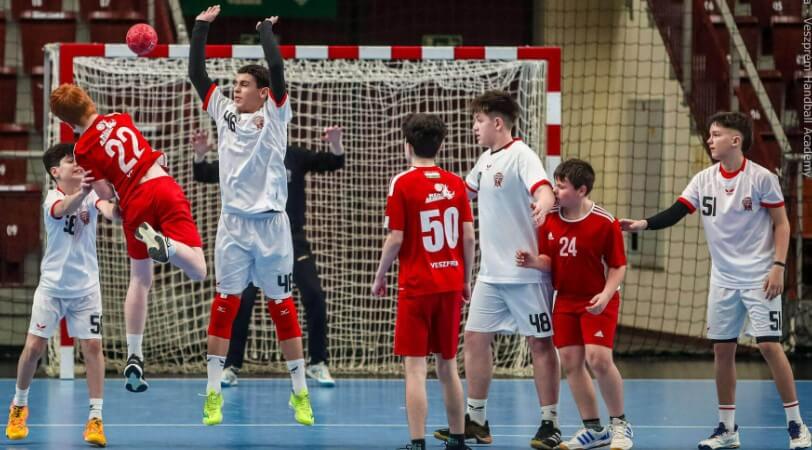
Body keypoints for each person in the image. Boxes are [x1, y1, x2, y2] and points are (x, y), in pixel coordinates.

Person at [620, 112, 811, 450]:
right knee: (723, 351)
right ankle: (727, 429)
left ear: (735, 140)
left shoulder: (762, 178)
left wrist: (779, 266)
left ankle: (797, 425)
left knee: (769, 346)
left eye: (716, 134)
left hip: (760, 277)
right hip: (722, 279)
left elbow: (782, 224)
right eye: (709, 134)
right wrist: (643, 224)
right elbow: (677, 211)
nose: (710, 139)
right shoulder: (703, 180)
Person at [188, 5, 314, 426]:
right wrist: (200, 28)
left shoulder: (275, 115)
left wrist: (264, 33)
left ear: (262, 93)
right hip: (233, 225)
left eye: (244, 84)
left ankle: (300, 393)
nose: (236, 89)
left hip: (272, 227)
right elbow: (197, 75)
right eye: (235, 84)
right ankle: (212, 394)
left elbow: (276, 69)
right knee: (225, 305)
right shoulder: (224, 113)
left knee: (282, 308)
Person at [49, 83, 207, 395]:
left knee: (140, 279)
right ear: (88, 100)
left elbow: (106, 192)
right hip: (161, 184)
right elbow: (144, 156)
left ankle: (135, 355)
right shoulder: (120, 118)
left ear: (67, 122)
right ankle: (170, 246)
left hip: (134, 202)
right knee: (199, 270)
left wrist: (110, 197)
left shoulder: (82, 150)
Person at [433, 90, 561, 449]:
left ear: (498, 123)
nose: (475, 127)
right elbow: (461, 193)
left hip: (525, 274)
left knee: (540, 343)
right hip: (490, 275)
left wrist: (543, 204)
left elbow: (543, 189)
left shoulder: (522, 155)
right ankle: (476, 420)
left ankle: (550, 423)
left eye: (479, 121)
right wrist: (426, 185)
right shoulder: (485, 160)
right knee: (475, 339)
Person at [190, 125, 345, 387]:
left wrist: (336, 143)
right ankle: (231, 366)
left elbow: (333, 162)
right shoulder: (241, 159)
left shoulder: (293, 155)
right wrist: (200, 155)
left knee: (315, 295)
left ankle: (318, 363)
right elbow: (204, 174)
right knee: (241, 301)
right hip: (251, 243)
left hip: (290, 239)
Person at [371, 113, 475, 450]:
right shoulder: (456, 183)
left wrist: (380, 275)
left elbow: (396, 238)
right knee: (448, 365)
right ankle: (457, 438)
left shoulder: (402, 183)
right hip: (450, 283)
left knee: (415, 368)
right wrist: (466, 279)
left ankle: (417, 443)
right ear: (440, 145)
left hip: (416, 286)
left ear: (407, 145)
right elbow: (469, 237)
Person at [6, 144, 119, 447]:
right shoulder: (52, 199)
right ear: (56, 171)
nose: (77, 164)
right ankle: (19, 405)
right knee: (34, 348)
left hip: (86, 289)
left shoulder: (92, 195)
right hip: (52, 290)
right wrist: (84, 193)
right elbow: (64, 209)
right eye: (71, 161)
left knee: (93, 347)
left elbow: (108, 211)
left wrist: (119, 208)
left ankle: (95, 418)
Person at [516, 158, 633, 450]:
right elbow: (549, 260)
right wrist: (533, 262)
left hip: (597, 299)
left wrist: (606, 295)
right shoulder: (551, 218)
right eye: (555, 185)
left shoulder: (604, 222)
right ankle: (594, 429)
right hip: (565, 300)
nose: (555, 191)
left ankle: (620, 424)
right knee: (570, 362)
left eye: (562, 187)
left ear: (581, 191)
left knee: (598, 359)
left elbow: (618, 265)